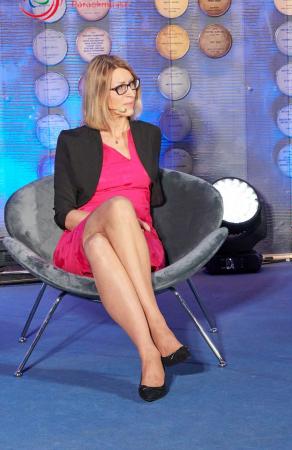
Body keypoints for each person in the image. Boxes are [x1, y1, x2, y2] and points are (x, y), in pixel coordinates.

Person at [53, 55, 189, 402]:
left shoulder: (148, 135)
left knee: (105, 242)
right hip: (80, 236)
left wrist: (126, 222)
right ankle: (158, 326)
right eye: (121, 87)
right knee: (116, 211)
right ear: (102, 95)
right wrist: (117, 216)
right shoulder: (73, 141)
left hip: (139, 240)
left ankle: (148, 354)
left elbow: (153, 195)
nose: (131, 93)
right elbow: (64, 214)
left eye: (133, 84)